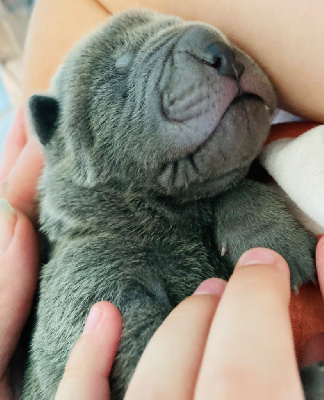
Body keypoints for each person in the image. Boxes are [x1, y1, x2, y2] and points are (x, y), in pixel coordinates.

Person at [0, 0, 323, 398]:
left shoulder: (222, 184)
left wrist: (240, 204)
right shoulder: (95, 256)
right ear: (58, 131)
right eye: (121, 71)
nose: (219, 54)